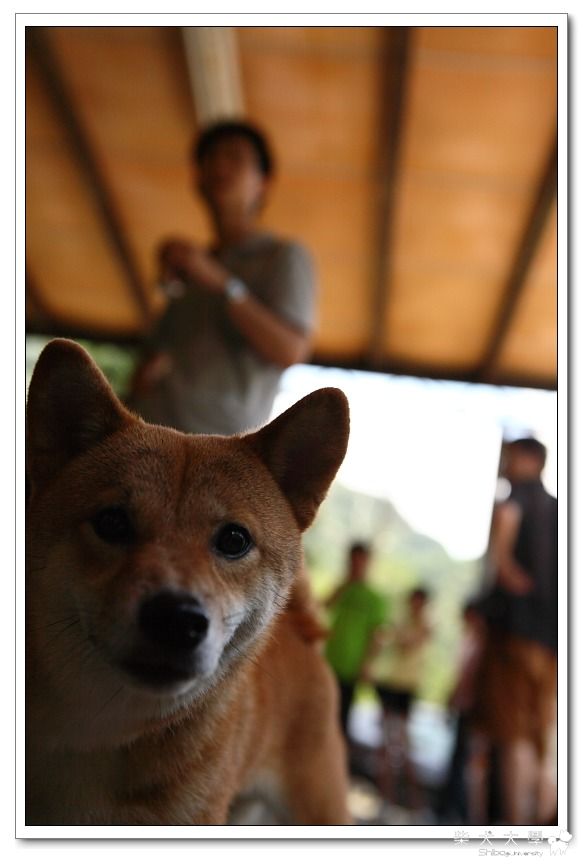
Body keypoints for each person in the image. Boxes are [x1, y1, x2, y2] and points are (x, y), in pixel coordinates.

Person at [128, 120, 316, 435]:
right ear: (198, 181)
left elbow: (292, 351)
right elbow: (156, 350)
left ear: (263, 182)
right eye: (210, 158)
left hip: (221, 443)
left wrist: (223, 285)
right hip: (152, 429)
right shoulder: (193, 263)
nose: (219, 166)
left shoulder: (283, 256)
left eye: (235, 157)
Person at [471, 437, 558, 825]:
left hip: (515, 637)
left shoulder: (516, 498)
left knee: (512, 737)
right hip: (554, 644)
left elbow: (503, 558)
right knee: (542, 741)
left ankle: (518, 833)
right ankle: (547, 826)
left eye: (511, 457)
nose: (506, 464)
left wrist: (507, 570)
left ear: (530, 459)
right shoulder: (560, 510)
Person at [363, 588, 431, 811]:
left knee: (401, 744)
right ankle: (385, 796)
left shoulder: (425, 625)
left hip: (405, 689)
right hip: (389, 685)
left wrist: (393, 636)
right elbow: (382, 639)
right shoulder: (400, 621)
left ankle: (413, 800)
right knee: (384, 741)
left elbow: (407, 644)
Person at [324, 543, 387, 738]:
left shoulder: (375, 598)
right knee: (324, 710)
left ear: (368, 562)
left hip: (352, 666)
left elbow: (378, 635)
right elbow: (324, 606)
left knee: (342, 716)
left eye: (360, 561)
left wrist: (367, 664)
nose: (356, 565)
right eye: (353, 560)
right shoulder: (342, 589)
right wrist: (344, 585)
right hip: (330, 660)